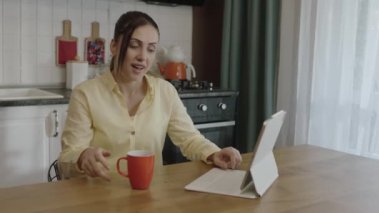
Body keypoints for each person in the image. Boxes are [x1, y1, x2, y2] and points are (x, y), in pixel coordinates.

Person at [58, 11, 242, 181]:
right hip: (98, 197)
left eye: (151, 49)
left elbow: (189, 139)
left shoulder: (165, 91)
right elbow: (66, 160)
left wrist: (213, 153)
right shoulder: (85, 94)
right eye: (134, 46)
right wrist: (82, 157)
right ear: (114, 46)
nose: (143, 57)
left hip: (150, 195)